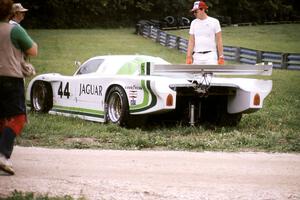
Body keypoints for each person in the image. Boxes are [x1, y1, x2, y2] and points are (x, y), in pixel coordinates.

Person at [0, 0, 38, 175]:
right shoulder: (14, 29)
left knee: (1, 119)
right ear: (11, 13)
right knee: (18, 118)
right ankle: (2, 155)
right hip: (10, 78)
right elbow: (33, 50)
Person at [186, 1, 224, 65]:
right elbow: (191, 41)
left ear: (202, 9)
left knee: (210, 75)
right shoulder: (193, 23)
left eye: (196, 11)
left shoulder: (214, 22)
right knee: (195, 75)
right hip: (197, 56)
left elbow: (219, 40)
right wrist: (189, 56)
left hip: (211, 56)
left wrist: (221, 56)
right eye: (193, 12)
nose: (194, 14)